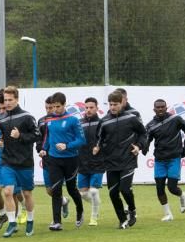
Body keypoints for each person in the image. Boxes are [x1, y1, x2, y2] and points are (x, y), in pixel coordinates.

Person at [94, 91, 147, 229]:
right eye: (110, 104)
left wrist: (139, 146)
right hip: (111, 162)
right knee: (112, 193)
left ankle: (132, 210)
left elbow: (143, 133)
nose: (113, 107)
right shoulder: (104, 121)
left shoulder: (131, 118)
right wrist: (97, 147)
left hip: (128, 159)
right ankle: (122, 219)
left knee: (125, 189)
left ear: (122, 103)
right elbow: (99, 138)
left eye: (115, 104)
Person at [0, 85, 39, 237]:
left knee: (27, 194)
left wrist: (20, 136)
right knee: (8, 192)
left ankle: (30, 221)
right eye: (5, 100)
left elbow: (36, 136)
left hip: (25, 163)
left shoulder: (27, 117)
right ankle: (12, 223)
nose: (7, 102)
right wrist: (2, 141)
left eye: (10, 99)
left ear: (17, 99)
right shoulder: (2, 121)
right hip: (8, 162)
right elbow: (4, 137)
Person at [143, 98, 185, 222]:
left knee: (172, 187)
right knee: (159, 189)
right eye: (158, 107)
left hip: (174, 158)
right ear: (154, 109)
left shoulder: (175, 119)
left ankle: (182, 195)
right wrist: (144, 148)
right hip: (159, 160)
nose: (160, 109)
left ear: (166, 107)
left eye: (162, 107)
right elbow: (146, 139)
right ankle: (168, 214)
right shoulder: (150, 125)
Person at [43, 91, 85, 230]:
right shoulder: (49, 120)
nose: (55, 109)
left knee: (72, 189)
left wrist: (67, 145)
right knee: (56, 190)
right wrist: (44, 148)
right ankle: (57, 222)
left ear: (64, 104)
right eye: (53, 107)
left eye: (58, 106)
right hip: (54, 159)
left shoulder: (73, 120)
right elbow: (48, 137)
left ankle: (80, 211)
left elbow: (81, 140)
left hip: (71, 159)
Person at [0, 88, 24, 230]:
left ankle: (13, 221)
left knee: (15, 194)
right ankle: (3, 214)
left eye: (4, 107)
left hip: (13, 162)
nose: (2, 111)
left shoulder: (17, 118)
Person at [37, 96, 69, 220]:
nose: (49, 110)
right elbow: (38, 138)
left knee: (56, 189)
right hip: (46, 160)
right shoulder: (41, 121)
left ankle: (56, 218)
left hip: (59, 159)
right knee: (49, 190)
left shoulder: (61, 120)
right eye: (46, 108)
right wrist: (40, 150)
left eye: (51, 107)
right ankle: (64, 201)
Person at [77, 97, 105, 226]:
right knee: (83, 194)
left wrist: (99, 146)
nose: (88, 110)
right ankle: (97, 204)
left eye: (91, 107)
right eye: (86, 108)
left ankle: (94, 217)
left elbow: (106, 140)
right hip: (82, 162)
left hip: (98, 162)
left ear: (97, 108)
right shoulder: (79, 123)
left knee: (93, 191)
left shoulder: (101, 123)